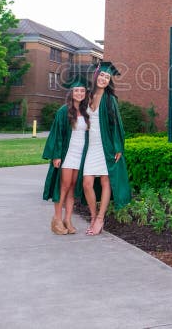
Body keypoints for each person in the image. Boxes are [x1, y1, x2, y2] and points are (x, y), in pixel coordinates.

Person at [76, 61, 131, 235]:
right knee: (87, 183)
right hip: (90, 146)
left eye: (107, 77)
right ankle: (93, 216)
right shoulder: (87, 96)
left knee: (106, 181)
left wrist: (118, 146)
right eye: (102, 75)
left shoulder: (110, 99)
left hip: (105, 145)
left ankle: (100, 218)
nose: (104, 79)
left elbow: (117, 124)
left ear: (109, 81)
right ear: (96, 76)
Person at [41, 76, 90, 235]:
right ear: (71, 92)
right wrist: (56, 156)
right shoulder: (63, 111)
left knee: (72, 189)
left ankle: (68, 219)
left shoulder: (86, 111)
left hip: (79, 155)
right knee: (64, 186)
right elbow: (57, 134)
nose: (79, 93)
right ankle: (56, 219)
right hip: (67, 155)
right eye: (76, 90)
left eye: (82, 91)